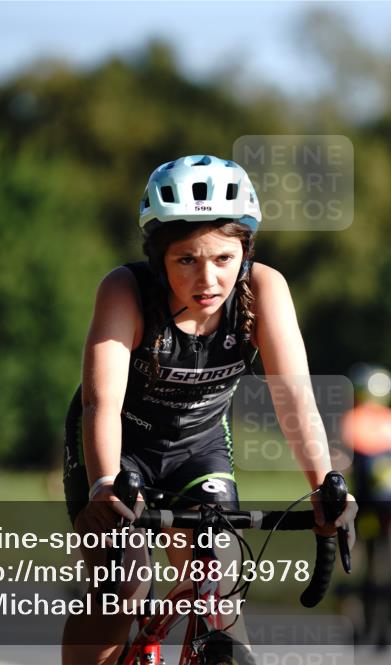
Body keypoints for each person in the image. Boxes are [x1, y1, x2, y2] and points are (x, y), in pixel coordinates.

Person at [61, 155, 356, 665]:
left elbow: (294, 396)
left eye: (223, 258)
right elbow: (100, 403)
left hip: (199, 450)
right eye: (186, 261)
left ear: (246, 251)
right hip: (119, 449)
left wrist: (323, 486)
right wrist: (104, 485)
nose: (208, 279)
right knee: (124, 586)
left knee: (221, 587)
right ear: (159, 258)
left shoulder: (263, 289)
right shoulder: (126, 291)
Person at [340, 364, 391, 606]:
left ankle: (345, 582)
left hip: (361, 495)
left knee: (352, 535)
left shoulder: (352, 418)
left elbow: (341, 456)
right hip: (387, 496)